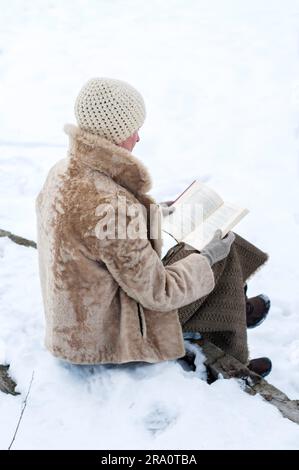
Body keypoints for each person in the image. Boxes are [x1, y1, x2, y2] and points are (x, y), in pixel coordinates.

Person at [36, 77, 271, 377]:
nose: (137, 138)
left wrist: (149, 214)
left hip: (76, 326)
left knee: (205, 255)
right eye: (134, 130)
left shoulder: (63, 172)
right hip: (108, 338)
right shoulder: (113, 208)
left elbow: (90, 232)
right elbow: (159, 292)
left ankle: (232, 307)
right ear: (115, 134)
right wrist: (208, 258)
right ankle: (234, 362)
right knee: (210, 255)